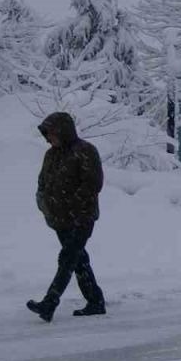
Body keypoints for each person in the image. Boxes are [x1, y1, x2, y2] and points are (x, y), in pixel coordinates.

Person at [27, 112, 106, 322]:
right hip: (59, 220)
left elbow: (93, 184)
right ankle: (95, 301)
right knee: (78, 261)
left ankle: (50, 302)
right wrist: (44, 204)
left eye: (51, 134)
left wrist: (73, 205)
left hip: (82, 218)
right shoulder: (50, 155)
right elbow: (42, 182)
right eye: (46, 135)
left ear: (63, 131)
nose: (48, 139)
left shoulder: (85, 151)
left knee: (67, 259)